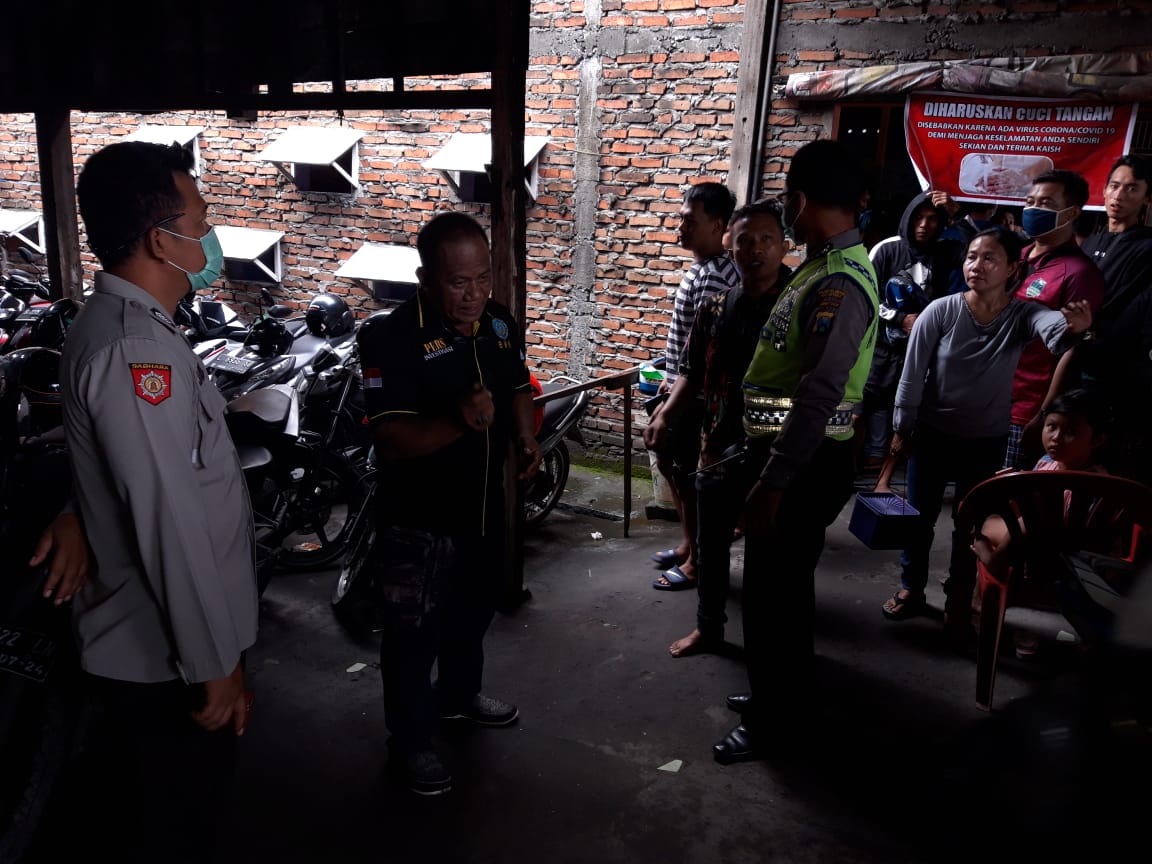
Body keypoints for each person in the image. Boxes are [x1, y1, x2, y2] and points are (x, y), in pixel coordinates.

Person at [58, 141, 257, 862]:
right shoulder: (132, 352)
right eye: (199, 222)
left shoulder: (144, 332)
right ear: (159, 240)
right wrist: (214, 665)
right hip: (162, 662)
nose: (209, 237)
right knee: (173, 828)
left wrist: (73, 509)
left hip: (173, 650)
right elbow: (168, 518)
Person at [356, 211, 541, 796]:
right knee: (412, 636)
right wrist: (460, 422)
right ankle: (410, 742)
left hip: (483, 509)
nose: (474, 294)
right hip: (419, 521)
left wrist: (525, 435)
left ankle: (458, 697)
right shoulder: (390, 338)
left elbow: (517, 384)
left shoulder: (499, 321)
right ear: (425, 279)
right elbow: (389, 438)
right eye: (459, 282)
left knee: (473, 613)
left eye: (483, 278)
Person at [713, 139, 879, 764]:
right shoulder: (825, 265)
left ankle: (773, 720)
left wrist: (773, 481)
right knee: (783, 590)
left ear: (801, 201)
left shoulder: (839, 281)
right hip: (793, 458)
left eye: (787, 199)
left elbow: (819, 391)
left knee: (771, 596)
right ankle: (779, 693)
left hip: (801, 465)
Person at [880, 227, 1093, 646]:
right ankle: (911, 587)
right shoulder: (940, 312)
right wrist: (902, 429)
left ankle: (959, 598)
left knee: (970, 525)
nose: (976, 265)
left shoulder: (1023, 315)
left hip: (985, 440)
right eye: (972, 257)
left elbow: (1054, 329)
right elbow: (911, 378)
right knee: (919, 520)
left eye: (990, 258)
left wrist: (1075, 328)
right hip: (932, 435)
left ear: (1012, 268)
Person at [644, 199, 791, 657]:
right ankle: (708, 628)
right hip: (717, 445)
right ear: (731, 245)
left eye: (766, 239)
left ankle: (768, 648)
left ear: (784, 246)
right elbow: (691, 370)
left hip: (775, 449)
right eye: (745, 240)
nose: (755, 249)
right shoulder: (716, 305)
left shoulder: (798, 304)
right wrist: (665, 414)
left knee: (770, 554)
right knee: (710, 544)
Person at [971, 388, 1109, 659]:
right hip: (1047, 553)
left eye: (1070, 431)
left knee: (989, 529)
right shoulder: (1048, 464)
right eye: (1051, 426)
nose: (1055, 437)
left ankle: (991, 571)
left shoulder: (1096, 484)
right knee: (1012, 521)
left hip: (1057, 558)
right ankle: (1009, 617)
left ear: (1097, 440)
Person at [648, 182, 739, 590]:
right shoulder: (703, 269)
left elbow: (706, 357)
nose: (680, 227)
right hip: (681, 390)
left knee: (691, 478)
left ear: (717, 224)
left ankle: (697, 563)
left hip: (697, 398)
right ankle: (689, 546)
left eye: (690, 220)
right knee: (676, 470)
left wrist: (673, 402)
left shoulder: (716, 277)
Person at [1005, 170, 1105, 470]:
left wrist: (1043, 414)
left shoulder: (1079, 273)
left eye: (1046, 203)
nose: (1033, 209)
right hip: (989, 398)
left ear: (1071, 213)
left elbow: (1072, 351)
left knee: (1004, 493)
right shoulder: (1017, 256)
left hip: (1026, 410)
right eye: (1030, 202)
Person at [858, 191, 961, 470]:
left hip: (921, 350)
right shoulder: (887, 249)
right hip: (881, 346)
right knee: (868, 403)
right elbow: (866, 296)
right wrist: (900, 318)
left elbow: (982, 249)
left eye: (932, 219)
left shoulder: (946, 252)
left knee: (905, 406)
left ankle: (889, 469)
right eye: (918, 217)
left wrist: (958, 215)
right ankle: (862, 464)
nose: (924, 225)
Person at [1075, 155, 1152, 483]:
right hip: (1077, 365)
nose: (1120, 195)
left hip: (1119, 376)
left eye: (1132, 188)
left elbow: (1133, 314)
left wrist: (1092, 331)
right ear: (1104, 190)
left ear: (1147, 197)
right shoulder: (1092, 242)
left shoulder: (1147, 247)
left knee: (1112, 467)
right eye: (1115, 186)